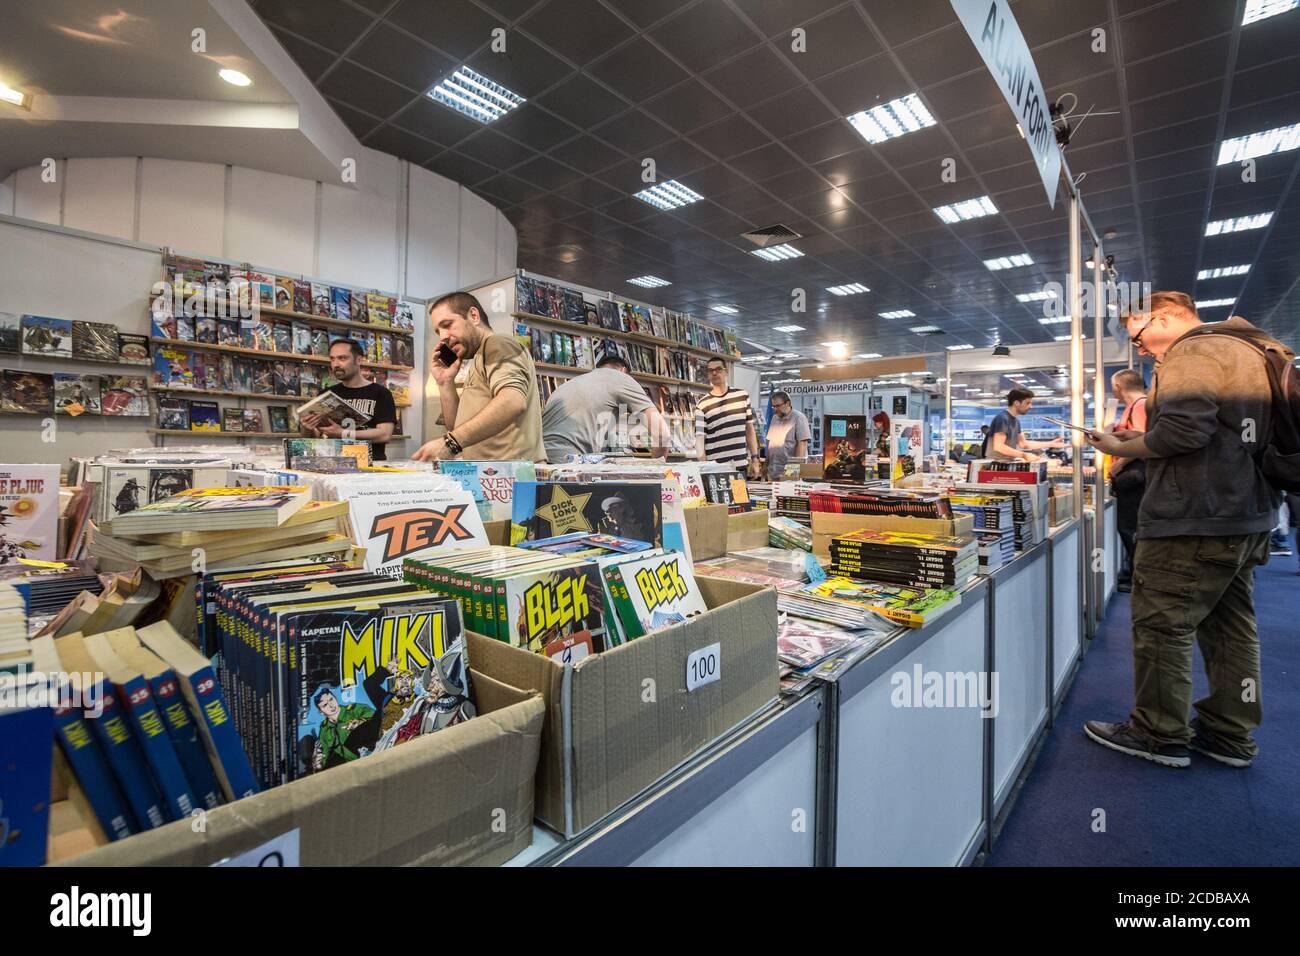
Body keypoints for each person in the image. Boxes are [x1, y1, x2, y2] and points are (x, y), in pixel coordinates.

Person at [1084, 293, 1290, 769]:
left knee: (1162, 624)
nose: (1141, 350)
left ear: (1161, 316)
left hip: (1194, 516)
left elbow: (1183, 434)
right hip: (1246, 513)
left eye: (1138, 336)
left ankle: (1157, 733)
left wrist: (1125, 446)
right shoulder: (1249, 348)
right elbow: (1207, 432)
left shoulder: (1194, 352)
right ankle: (1230, 733)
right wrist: (1130, 440)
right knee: (1231, 628)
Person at [413, 292, 544, 462]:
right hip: (492, 477)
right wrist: (445, 382)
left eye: (448, 324)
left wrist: (450, 443)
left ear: (474, 316)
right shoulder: (479, 358)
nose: (443, 336)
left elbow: (513, 401)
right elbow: (457, 428)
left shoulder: (498, 343)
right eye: (439, 331)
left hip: (509, 476)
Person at [541, 355, 671, 461]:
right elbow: (662, 434)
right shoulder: (620, 378)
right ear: (623, 371)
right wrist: (658, 474)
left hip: (540, 463)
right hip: (570, 465)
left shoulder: (570, 383)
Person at [299, 338, 397, 460]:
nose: (336, 364)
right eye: (332, 359)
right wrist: (306, 427)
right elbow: (314, 439)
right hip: (333, 464)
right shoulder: (327, 394)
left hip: (370, 466)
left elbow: (384, 434)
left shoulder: (380, 393)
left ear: (359, 360)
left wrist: (342, 433)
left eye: (342, 358)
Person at [1108, 369, 1149, 592]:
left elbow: (1143, 438)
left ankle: (1138, 577)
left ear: (1118, 387)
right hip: (1134, 474)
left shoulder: (1141, 406)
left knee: (1131, 527)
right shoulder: (1135, 407)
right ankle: (1134, 571)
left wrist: (1120, 464)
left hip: (1135, 474)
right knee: (1128, 526)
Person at [695, 357, 760, 478]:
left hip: (739, 466)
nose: (714, 373)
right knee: (716, 498)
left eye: (718, 369)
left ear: (726, 372)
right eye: (710, 370)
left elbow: (749, 430)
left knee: (740, 497)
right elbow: (699, 439)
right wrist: (703, 467)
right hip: (715, 469)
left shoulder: (742, 396)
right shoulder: (702, 404)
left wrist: (755, 459)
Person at [986, 388, 1065, 461]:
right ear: (1016, 403)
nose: (1030, 406)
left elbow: (1023, 444)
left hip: (1006, 462)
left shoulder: (1015, 420)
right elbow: (999, 446)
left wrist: (1051, 444)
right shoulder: (1003, 418)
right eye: (1027, 403)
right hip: (996, 465)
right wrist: (1024, 455)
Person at [764, 391, 811, 478]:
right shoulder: (775, 418)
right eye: (773, 406)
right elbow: (771, 444)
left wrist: (794, 470)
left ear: (787, 403)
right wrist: (766, 466)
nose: (775, 409)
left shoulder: (799, 418)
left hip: (790, 471)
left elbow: (802, 444)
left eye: (777, 406)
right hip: (774, 470)